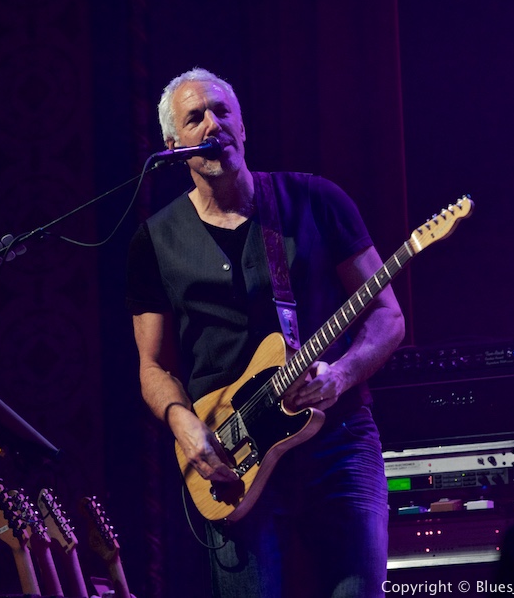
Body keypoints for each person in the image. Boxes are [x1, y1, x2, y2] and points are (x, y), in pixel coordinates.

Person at [125, 67, 405, 598]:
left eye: (222, 112)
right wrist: (184, 425)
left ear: (243, 126)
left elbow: (387, 315)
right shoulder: (154, 241)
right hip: (232, 454)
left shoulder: (316, 201)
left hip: (338, 441)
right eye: (196, 117)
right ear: (173, 146)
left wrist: (342, 374)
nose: (213, 124)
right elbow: (152, 366)